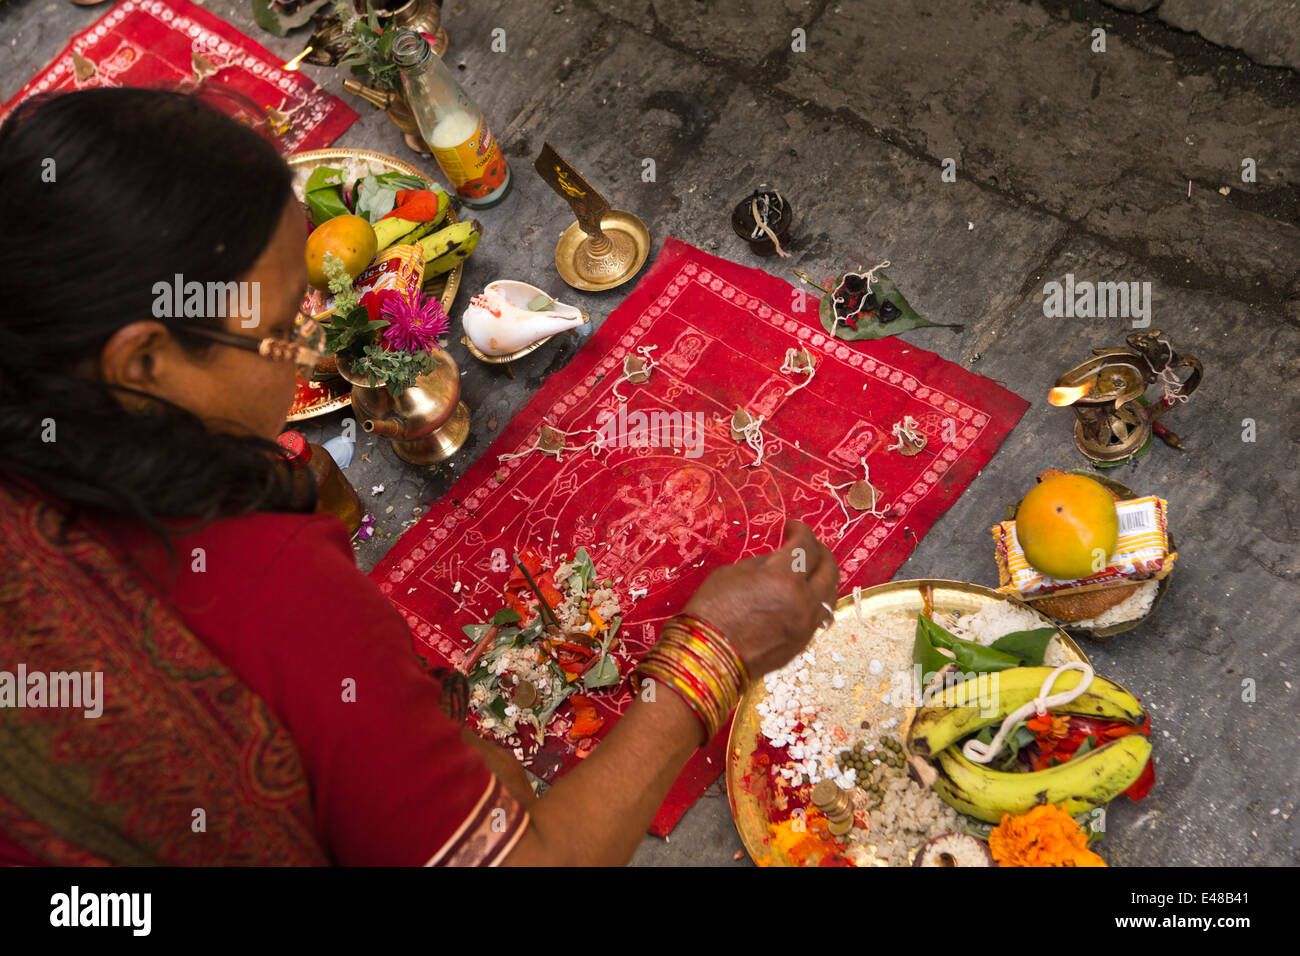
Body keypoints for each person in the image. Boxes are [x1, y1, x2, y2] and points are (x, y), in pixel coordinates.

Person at [0, 88, 838, 866]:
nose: (315, 351)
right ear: (145, 362)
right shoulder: (266, 595)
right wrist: (711, 658)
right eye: (285, 324)